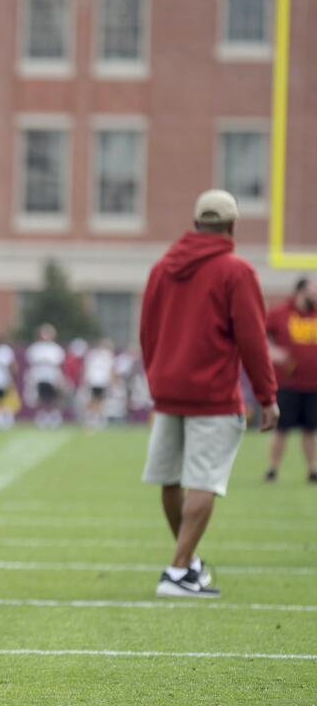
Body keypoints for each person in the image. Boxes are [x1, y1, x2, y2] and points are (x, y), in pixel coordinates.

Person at [139, 189, 277, 599]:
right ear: (232, 226)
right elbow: (252, 339)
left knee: (170, 476)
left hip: (168, 388)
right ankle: (178, 570)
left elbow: (147, 330)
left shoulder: (163, 267)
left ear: (195, 222)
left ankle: (188, 564)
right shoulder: (236, 270)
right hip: (213, 393)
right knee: (204, 479)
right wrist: (267, 396)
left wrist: (156, 376)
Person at [264, 276, 317, 483]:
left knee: (310, 430)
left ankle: (312, 469)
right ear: (299, 292)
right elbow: (260, 335)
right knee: (281, 429)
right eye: (311, 293)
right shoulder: (280, 313)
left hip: (313, 384)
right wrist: (273, 352)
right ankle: (273, 469)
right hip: (288, 383)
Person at [24, 323, 65, 428]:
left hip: (51, 376)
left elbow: (58, 363)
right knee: (41, 397)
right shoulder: (35, 348)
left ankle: (54, 417)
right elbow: (32, 360)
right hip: (39, 376)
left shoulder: (56, 348)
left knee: (53, 398)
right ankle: (42, 417)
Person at [82, 338, 116, 428]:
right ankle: (93, 419)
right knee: (97, 400)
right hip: (98, 381)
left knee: (98, 400)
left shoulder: (96, 355)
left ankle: (94, 418)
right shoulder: (103, 355)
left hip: (99, 381)